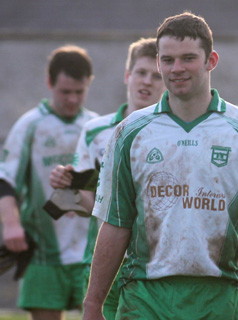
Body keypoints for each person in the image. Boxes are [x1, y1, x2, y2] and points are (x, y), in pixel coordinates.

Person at [82, 12, 238, 320]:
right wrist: (92, 305)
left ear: (211, 60)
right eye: (167, 60)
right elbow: (115, 223)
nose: (176, 69)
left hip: (217, 295)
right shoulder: (130, 132)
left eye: (188, 58)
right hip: (144, 296)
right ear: (158, 62)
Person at [49, 37, 166, 320]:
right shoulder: (95, 131)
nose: (146, 82)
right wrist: (67, 188)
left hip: (156, 266)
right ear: (127, 75)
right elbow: (90, 204)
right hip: (103, 264)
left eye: (156, 76)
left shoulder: (174, 132)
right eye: (141, 73)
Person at [0, 45, 98, 320]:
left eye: (79, 92)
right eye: (65, 92)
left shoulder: (95, 128)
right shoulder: (29, 125)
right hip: (42, 252)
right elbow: (5, 180)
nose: (72, 99)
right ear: (49, 82)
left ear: (89, 84)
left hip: (89, 253)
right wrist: (11, 224)